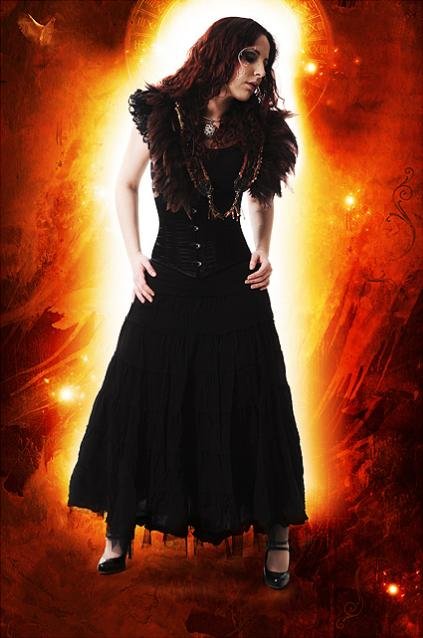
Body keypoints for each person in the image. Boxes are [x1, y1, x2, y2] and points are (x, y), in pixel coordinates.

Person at [67, 16, 308, 589]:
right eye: (250, 56)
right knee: (139, 394)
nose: (260, 70)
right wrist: (133, 258)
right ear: (221, 54)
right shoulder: (162, 112)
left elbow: (262, 198)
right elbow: (125, 183)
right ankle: (118, 530)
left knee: (255, 397)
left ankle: (277, 535)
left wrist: (264, 248)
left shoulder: (260, 128)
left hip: (235, 283)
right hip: (167, 279)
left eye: (266, 61)